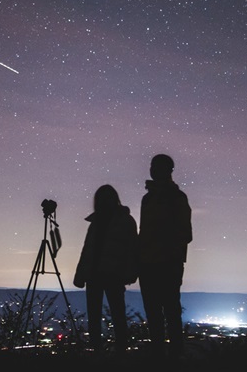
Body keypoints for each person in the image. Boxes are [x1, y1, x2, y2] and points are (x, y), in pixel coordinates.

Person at [138, 153, 192, 361]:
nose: (152, 170)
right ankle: (160, 356)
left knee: (169, 311)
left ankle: (173, 356)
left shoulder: (176, 198)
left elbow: (185, 234)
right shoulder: (149, 198)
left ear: (168, 170)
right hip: (150, 263)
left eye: (157, 167)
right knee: (155, 312)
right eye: (152, 166)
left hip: (167, 263)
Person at [73, 184, 138, 354]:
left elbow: (132, 248)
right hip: (95, 274)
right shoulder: (97, 222)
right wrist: (81, 274)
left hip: (113, 274)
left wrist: (130, 272)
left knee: (116, 313)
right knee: (96, 315)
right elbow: (87, 250)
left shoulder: (124, 221)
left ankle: (120, 350)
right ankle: (98, 349)